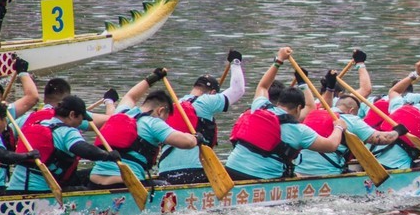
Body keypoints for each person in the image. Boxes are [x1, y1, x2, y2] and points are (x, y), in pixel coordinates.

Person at [225, 47, 345, 181]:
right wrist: (339, 127)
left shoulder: (259, 107)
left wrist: (279, 60)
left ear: (279, 102)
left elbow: (263, 86)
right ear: (299, 108)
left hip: (230, 171)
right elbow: (331, 145)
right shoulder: (299, 130)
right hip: (263, 178)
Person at [87, 68, 199, 187]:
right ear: (161, 111)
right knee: (166, 185)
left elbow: (131, 96)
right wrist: (196, 138)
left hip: (94, 180)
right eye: (166, 119)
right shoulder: (153, 123)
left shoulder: (121, 113)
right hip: (127, 183)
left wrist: (152, 78)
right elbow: (186, 143)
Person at [157, 49, 247, 185]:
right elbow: (238, 90)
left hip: (165, 172)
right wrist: (235, 62)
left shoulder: (175, 104)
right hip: (194, 171)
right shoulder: (206, 101)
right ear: (213, 92)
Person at [7, 95, 116, 195]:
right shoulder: (67, 131)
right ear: (72, 115)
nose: (81, 122)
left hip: (14, 189)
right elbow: (83, 149)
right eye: (81, 118)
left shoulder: (39, 123)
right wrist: (107, 155)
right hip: (43, 191)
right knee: (90, 182)